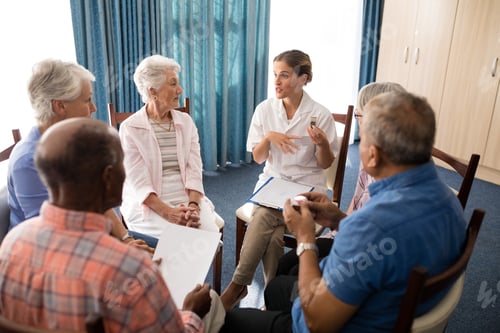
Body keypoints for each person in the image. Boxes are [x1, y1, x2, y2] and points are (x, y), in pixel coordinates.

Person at [220, 91, 467, 332]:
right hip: (391, 304)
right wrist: (338, 219)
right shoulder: (449, 200)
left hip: (343, 319)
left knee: (229, 322)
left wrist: (305, 239)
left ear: (372, 156)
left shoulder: (371, 225)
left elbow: (317, 322)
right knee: (277, 286)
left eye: (363, 139)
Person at [0, 117, 216, 332]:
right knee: (213, 304)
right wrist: (192, 312)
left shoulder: (11, 244)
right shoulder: (130, 268)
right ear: (109, 177)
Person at [220, 49, 339, 310]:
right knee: (273, 236)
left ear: (303, 78)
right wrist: (268, 138)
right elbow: (259, 158)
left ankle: (237, 286)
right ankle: (273, 296)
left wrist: (323, 145)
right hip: (273, 182)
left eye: (284, 75)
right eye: (275, 75)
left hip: (307, 188)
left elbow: (325, 164)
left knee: (263, 217)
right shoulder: (265, 109)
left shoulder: (321, 114)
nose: (276, 81)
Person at [7, 58, 154, 252]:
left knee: (169, 252)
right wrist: (118, 250)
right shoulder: (28, 161)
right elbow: (52, 238)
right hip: (48, 253)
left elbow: (99, 202)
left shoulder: (75, 139)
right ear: (60, 106)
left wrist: (126, 238)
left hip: (87, 234)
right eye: (87, 100)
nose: (94, 108)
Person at [276, 81, 407, 276]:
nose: (358, 121)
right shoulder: (372, 152)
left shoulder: (397, 179)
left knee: (291, 277)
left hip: (368, 257)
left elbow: (375, 244)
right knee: (285, 265)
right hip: (354, 235)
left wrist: (305, 239)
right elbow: (358, 201)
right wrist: (337, 220)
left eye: (360, 115)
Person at [119, 54, 224, 239]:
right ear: (153, 92)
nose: (180, 90)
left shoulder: (186, 122)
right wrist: (168, 212)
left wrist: (193, 206)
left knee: (209, 236)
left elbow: (194, 168)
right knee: (178, 240)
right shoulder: (130, 128)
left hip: (185, 193)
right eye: (173, 84)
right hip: (149, 201)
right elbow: (138, 181)